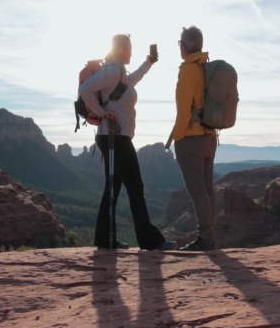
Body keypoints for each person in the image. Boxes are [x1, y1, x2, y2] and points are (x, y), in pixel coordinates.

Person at [79, 34, 176, 251]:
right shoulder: (112, 71)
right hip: (114, 138)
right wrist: (102, 113)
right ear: (121, 49)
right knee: (136, 186)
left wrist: (149, 63)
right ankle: (150, 241)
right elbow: (84, 89)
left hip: (116, 137)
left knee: (112, 188)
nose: (131, 52)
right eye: (129, 48)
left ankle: (105, 239)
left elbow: (134, 79)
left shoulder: (119, 73)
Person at [172, 26, 218, 251]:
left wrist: (177, 138)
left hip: (191, 138)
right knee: (208, 188)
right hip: (210, 136)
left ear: (184, 46)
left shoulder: (188, 69)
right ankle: (210, 237)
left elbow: (182, 111)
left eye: (179, 43)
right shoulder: (206, 66)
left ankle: (205, 239)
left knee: (198, 191)